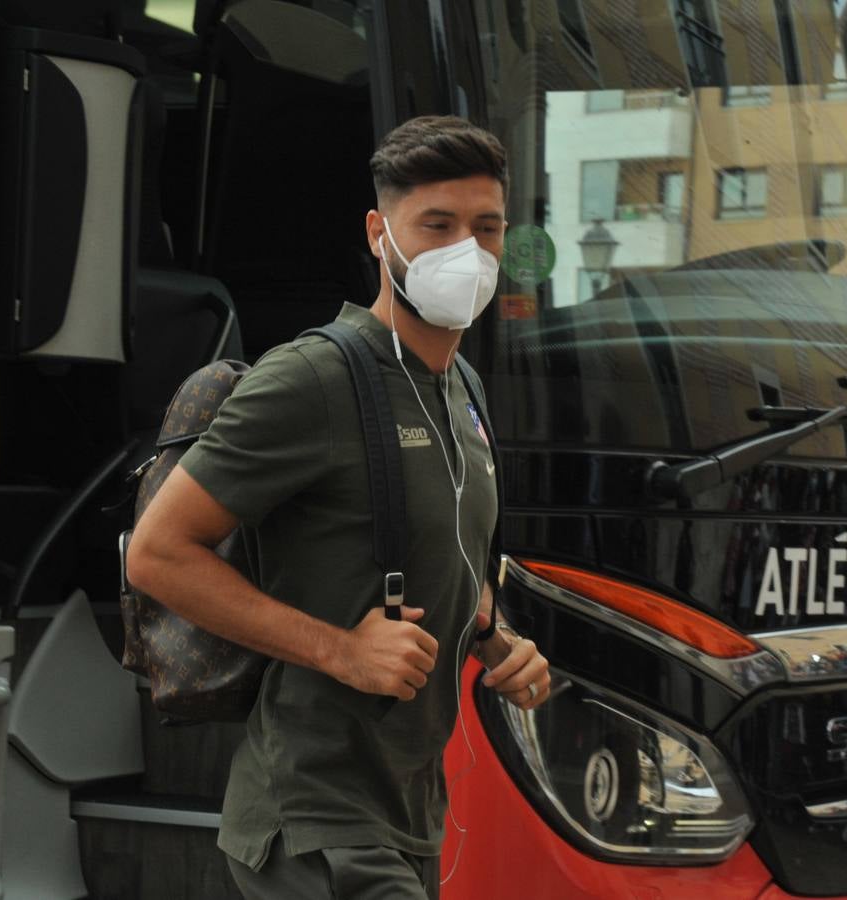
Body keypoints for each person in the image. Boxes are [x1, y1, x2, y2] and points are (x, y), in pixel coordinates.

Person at [126, 116, 551, 900]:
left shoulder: (463, 391)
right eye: (438, 225)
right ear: (377, 232)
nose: (468, 251)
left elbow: (441, 550)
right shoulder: (314, 379)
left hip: (408, 810)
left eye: (486, 228)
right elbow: (155, 554)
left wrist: (494, 637)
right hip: (313, 818)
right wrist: (339, 651)